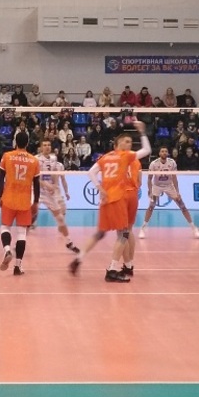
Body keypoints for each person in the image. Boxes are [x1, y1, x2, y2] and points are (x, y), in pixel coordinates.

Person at [70, 121, 150, 282]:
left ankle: (79, 258)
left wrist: (100, 188)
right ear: (117, 144)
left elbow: (91, 172)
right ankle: (112, 270)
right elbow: (147, 150)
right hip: (118, 198)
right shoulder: (125, 156)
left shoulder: (105, 158)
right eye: (126, 141)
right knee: (124, 233)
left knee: (100, 233)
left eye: (130, 142)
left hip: (106, 200)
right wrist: (142, 132)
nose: (129, 144)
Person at [0, 132, 40, 275]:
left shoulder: (7, 156)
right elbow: (37, 184)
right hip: (24, 201)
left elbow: (1, 178)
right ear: (27, 143)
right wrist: (36, 201)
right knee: (22, 233)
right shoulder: (34, 160)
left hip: (9, 198)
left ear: (15, 142)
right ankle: (17, 266)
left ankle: (7, 250)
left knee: (5, 227)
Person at [138, 146, 199, 238]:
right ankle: (143, 228)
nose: (164, 153)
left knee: (182, 205)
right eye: (162, 151)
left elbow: (174, 178)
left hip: (169, 185)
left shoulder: (172, 162)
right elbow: (149, 179)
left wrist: (177, 192)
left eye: (166, 151)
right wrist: (150, 191)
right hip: (157, 186)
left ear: (167, 153)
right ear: (159, 153)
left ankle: (194, 228)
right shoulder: (154, 164)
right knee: (151, 206)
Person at [35, 139, 79, 254]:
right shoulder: (36, 159)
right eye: (44, 145)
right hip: (37, 192)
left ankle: (69, 242)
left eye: (49, 145)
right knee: (28, 218)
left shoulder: (54, 159)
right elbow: (35, 178)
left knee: (60, 218)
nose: (47, 147)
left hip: (49, 194)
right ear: (41, 148)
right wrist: (47, 185)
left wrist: (54, 185)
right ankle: (18, 243)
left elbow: (55, 174)